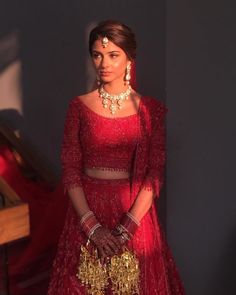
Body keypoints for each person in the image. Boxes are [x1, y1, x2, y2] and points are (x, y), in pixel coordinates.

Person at [48, 20, 185, 295]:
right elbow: (71, 169)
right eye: (97, 55)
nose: (104, 63)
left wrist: (126, 228)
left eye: (113, 55)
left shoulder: (150, 111)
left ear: (129, 59)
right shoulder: (79, 107)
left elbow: (155, 172)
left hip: (134, 213)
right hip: (86, 212)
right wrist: (92, 227)